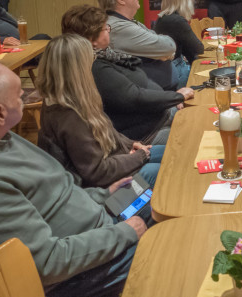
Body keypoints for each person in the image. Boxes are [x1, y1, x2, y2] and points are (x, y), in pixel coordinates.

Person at [0, 61, 147, 297]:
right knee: (166, 251)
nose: (28, 98)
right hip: (70, 277)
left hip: (96, 226)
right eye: (20, 97)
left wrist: (102, 194)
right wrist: (125, 232)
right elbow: (45, 263)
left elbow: (54, 191)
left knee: (150, 182)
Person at [37, 34, 165, 188]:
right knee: (164, 170)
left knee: (171, 153)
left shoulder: (74, 98)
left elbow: (109, 132)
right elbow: (97, 172)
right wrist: (140, 156)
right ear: (78, 71)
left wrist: (132, 145)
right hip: (107, 187)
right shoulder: (67, 116)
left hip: (118, 161)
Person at [61, 5, 193, 145]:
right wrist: (177, 96)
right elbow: (134, 97)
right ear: (92, 39)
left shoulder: (107, 55)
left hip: (161, 114)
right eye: (105, 29)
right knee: (195, 134)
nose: (109, 32)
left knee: (202, 116)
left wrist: (172, 101)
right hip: (147, 134)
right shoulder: (96, 66)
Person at [97, 0, 178, 90]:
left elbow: (167, 48)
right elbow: (168, 46)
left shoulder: (129, 22)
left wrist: (163, 52)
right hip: (155, 99)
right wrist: (162, 53)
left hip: (163, 91)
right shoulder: (119, 27)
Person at [154, 0, 205, 87]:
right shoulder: (177, 21)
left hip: (165, 70)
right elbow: (198, 48)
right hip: (176, 70)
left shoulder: (163, 17)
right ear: (187, 0)